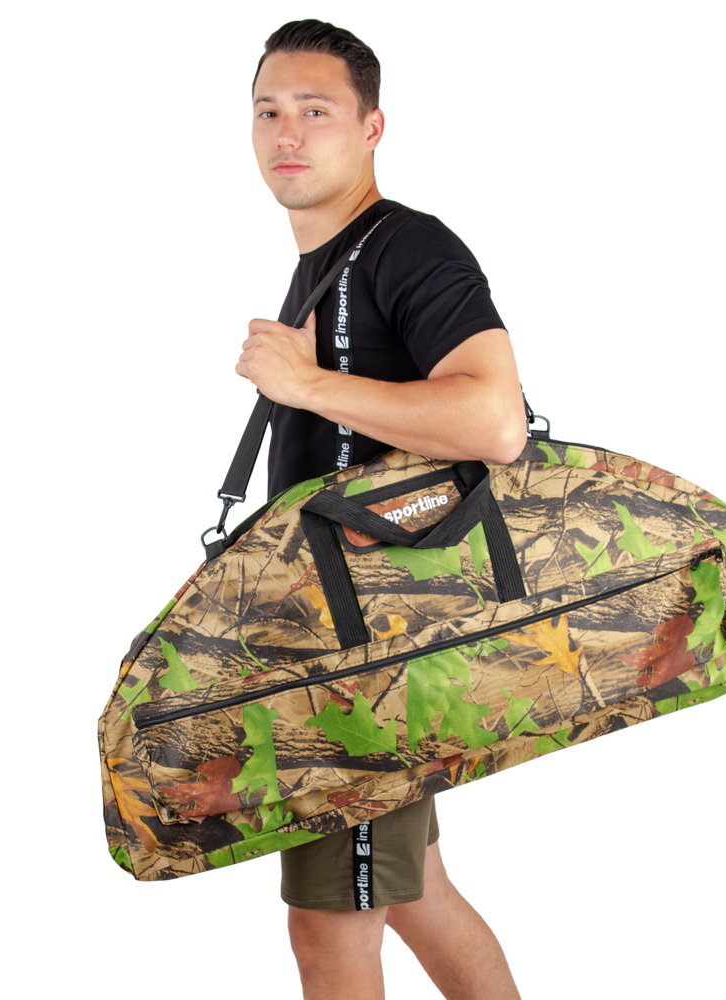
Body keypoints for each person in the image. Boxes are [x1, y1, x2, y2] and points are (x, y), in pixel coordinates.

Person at [236, 19, 525, 1000]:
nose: (287, 133)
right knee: (416, 893)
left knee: (330, 930)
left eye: (316, 111)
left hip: (373, 663)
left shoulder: (406, 248)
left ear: (371, 128)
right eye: (268, 111)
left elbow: (496, 421)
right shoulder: (326, 262)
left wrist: (307, 385)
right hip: (357, 645)